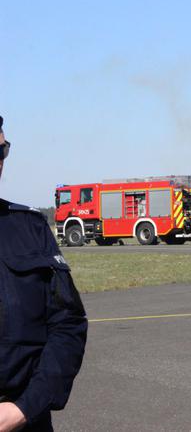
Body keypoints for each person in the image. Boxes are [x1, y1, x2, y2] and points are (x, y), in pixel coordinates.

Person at [0, 115, 87, 431]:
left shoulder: (31, 228)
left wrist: (24, 408)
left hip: (23, 418)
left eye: (1, 152)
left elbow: (68, 323)